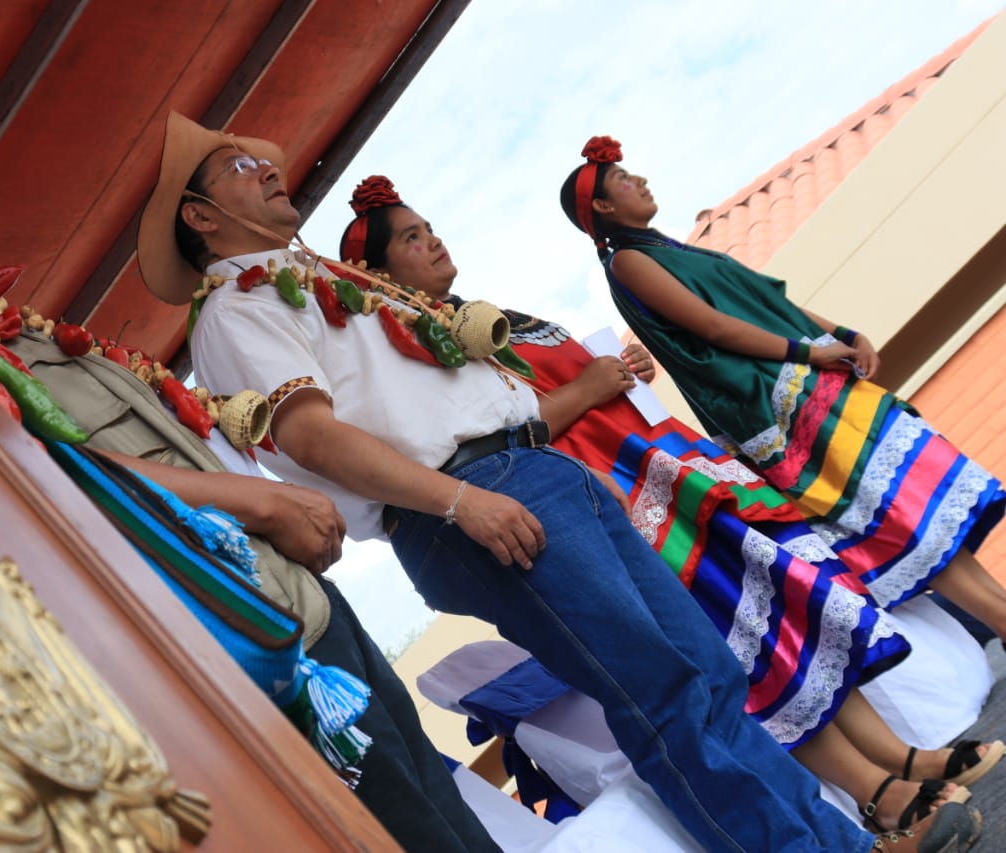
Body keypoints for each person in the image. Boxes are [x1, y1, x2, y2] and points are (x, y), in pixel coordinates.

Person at [137, 109, 980, 852]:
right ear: (203, 217)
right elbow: (310, 435)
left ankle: (843, 835)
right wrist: (461, 499)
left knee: (705, 671)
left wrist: (547, 470)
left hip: (529, 470)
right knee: (664, 689)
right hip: (464, 497)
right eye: (239, 168)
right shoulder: (237, 309)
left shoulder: (324, 280)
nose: (266, 168)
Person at [0, 125, 501, 853]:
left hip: (293, 603)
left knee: (454, 830)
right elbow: (30, 472)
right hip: (238, 647)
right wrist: (260, 499)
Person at [339, 174, 1003, 833]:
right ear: (377, 272)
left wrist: (616, 372)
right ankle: (874, 790)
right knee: (738, 640)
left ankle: (901, 758)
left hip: (666, 467)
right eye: (412, 238)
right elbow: (500, 440)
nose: (433, 242)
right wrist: (589, 388)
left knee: (787, 610)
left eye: (429, 228)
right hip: (621, 497)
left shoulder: (477, 318)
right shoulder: (421, 348)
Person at [557, 135, 1006, 643]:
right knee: (894, 516)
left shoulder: (666, 250)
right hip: (774, 402)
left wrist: (842, 334)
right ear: (603, 206)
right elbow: (713, 327)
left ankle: (1000, 613)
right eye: (623, 179)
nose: (639, 180)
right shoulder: (628, 261)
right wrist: (810, 352)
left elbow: (765, 300)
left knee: (914, 505)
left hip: (808, 384)